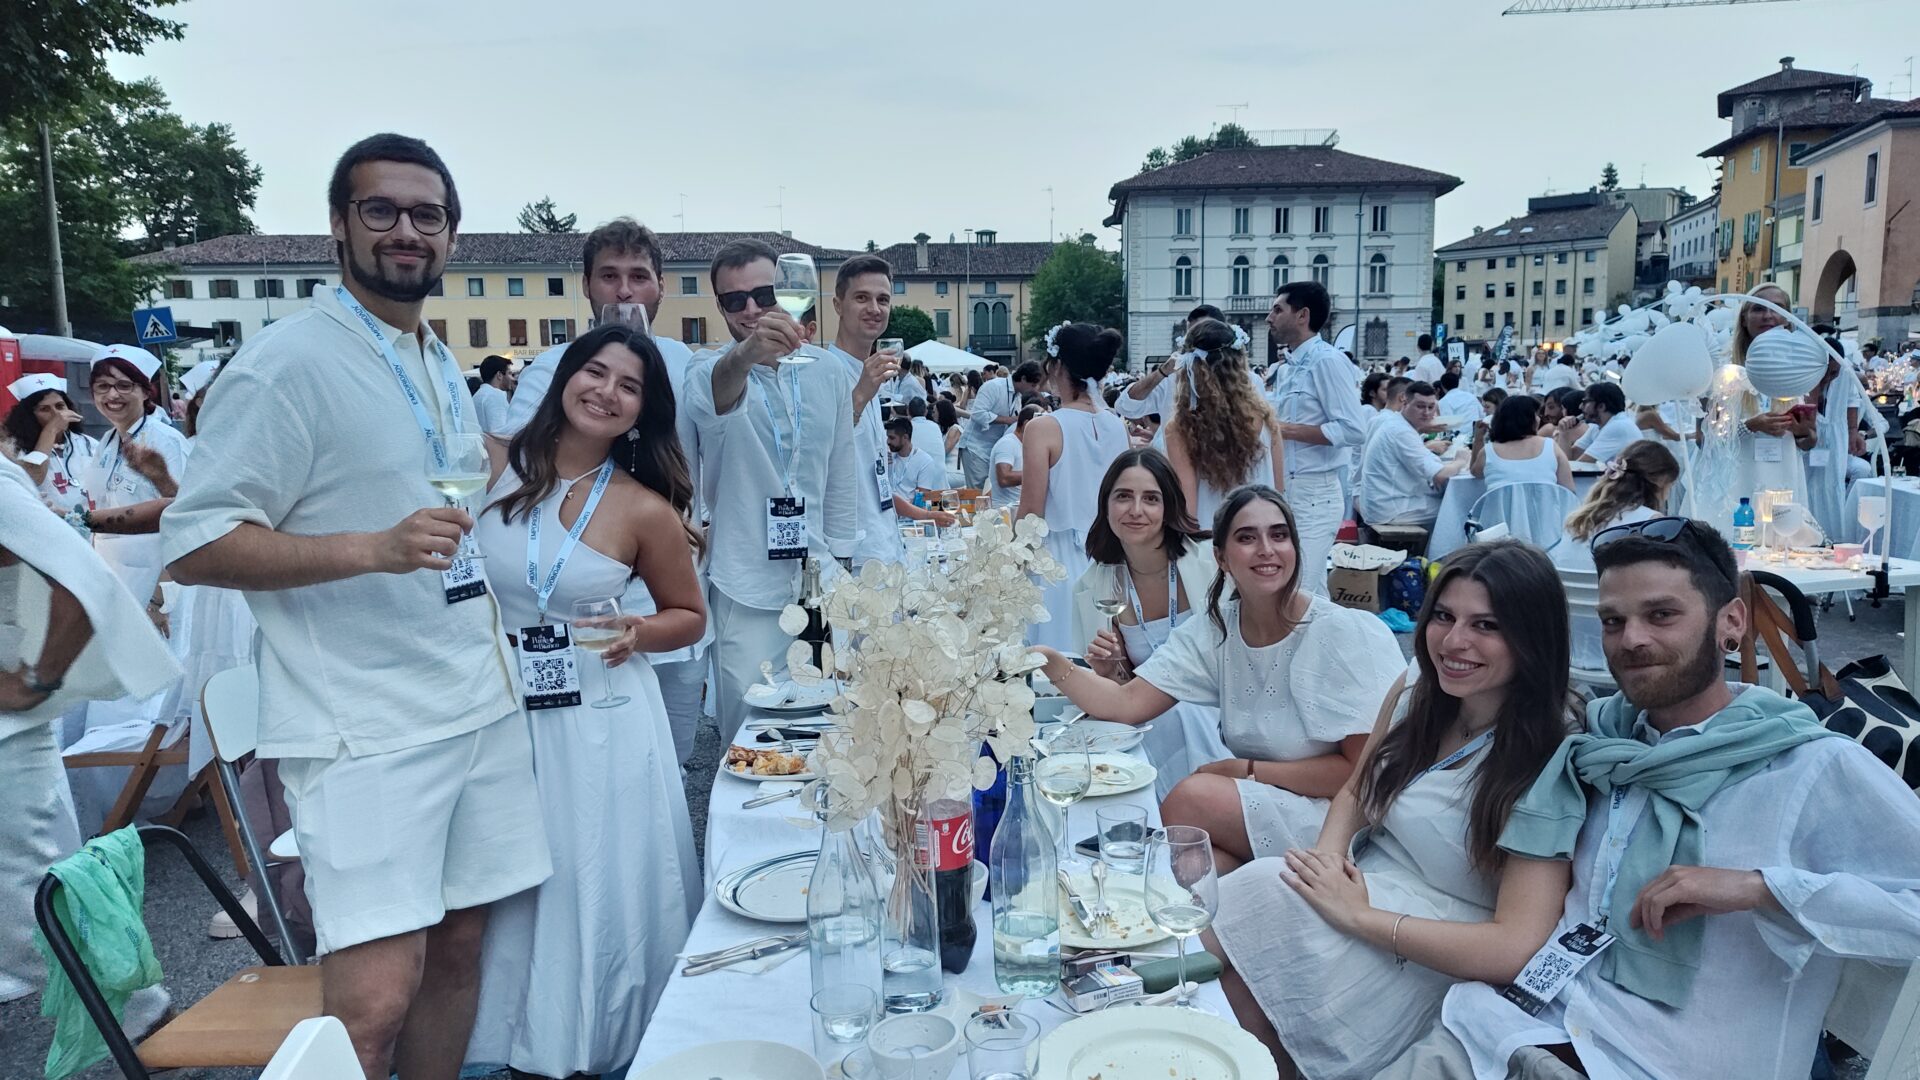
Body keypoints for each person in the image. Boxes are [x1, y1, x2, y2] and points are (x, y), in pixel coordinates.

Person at [163, 133, 551, 1080]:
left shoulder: (426, 351)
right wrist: (367, 550)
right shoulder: (285, 363)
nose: (405, 231)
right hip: (365, 727)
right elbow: (194, 543)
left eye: (427, 215)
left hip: (476, 700)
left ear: (452, 235)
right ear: (339, 225)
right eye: (381, 210)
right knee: (373, 1004)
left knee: (462, 953)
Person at [1379, 519, 1920, 1080]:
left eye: (1661, 615)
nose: (1632, 639)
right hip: (1509, 1029)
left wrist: (1759, 888)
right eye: (1614, 621)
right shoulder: (1596, 746)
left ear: (1730, 622)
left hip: (1653, 1063)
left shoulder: (1806, 767)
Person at [1204, 541, 1577, 1078]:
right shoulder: (1418, 690)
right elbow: (1356, 790)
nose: (1454, 641)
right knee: (1256, 896)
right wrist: (1329, 860)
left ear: (1532, 638)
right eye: (1444, 616)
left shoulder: (1549, 752)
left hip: (1438, 941)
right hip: (1368, 880)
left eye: (1486, 626)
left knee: (1256, 900)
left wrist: (1360, 917)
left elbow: (1514, 947)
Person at [465, 323, 704, 1077]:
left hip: (600, 711)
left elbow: (687, 615)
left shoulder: (643, 508)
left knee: (590, 874)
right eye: (595, 373)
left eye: (628, 385)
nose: (606, 392)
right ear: (565, 377)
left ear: (642, 409)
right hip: (499, 700)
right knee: (509, 876)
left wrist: (638, 628)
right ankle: (500, 1032)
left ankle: (595, 1036)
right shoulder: (489, 465)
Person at [1033, 487, 1404, 873]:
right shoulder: (1217, 629)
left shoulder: (1341, 634)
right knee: (1189, 868)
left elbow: (1363, 773)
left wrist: (1244, 770)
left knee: (1194, 798)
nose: (1266, 549)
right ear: (1222, 558)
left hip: (1343, 817)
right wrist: (1049, 662)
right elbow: (1128, 704)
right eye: (1247, 538)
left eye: (1279, 535)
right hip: (1269, 801)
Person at [503, 218, 709, 766]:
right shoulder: (549, 369)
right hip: (561, 597)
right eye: (609, 276)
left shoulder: (691, 366)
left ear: (661, 286)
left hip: (659, 589)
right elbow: (519, 469)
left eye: (639, 277)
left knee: (663, 761)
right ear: (588, 286)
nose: (624, 291)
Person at [0, 452, 178, 1025]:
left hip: (6, 727)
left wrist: (35, 678)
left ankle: (143, 1022)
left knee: (31, 899)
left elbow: (80, 578)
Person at [684, 237, 858, 744]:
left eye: (764, 294)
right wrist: (746, 355)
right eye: (735, 300)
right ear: (720, 308)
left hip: (821, 582)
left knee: (830, 729)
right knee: (749, 736)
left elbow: (840, 471)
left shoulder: (827, 371)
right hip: (746, 585)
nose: (753, 309)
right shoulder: (706, 369)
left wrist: (843, 565)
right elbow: (715, 394)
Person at [1069, 447, 1227, 795]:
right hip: (1144, 718)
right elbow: (1123, 688)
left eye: (1151, 499)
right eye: (1123, 496)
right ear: (1106, 504)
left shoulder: (1212, 563)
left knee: (1181, 715)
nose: (1136, 510)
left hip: (1218, 711)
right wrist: (1109, 671)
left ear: (1168, 507)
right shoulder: (1093, 586)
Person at [1017, 321, 1128, 650]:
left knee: (1057, 662)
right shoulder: (1117, 426)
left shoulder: (1044, 428)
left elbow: (1030, 516)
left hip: (1057, 563)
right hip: (1109, 561)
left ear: (1058, 366)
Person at [1268, 281, 1368, 595]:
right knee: (1306, 590)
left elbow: (1353, 429)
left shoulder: (1327, 361)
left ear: (1303, 315)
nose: (1269, 317)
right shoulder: (1287, 368)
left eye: (1278, 309)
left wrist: (1280, 429)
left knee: (1298, 591)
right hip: (1288, 491)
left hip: (1316, 492)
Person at [1546, 440, 1679, 672]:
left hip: (1572, 646)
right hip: (1624, 644)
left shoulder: (1577, 521)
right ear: (1659, 483)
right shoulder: (1650, 523)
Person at [1695, 283, 1814, 531]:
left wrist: (1803, 432)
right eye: (1759, 309)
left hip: (1783, 472)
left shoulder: (1799, 369)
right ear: (1744, 318)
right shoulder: (1723, 368)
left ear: (1788, 317)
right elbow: (1705, 436)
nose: (1768, 315)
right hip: (1739, 476)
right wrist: (1750, 426)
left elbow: (1809, 443)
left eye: (1777, 308)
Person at [86, 344, 191, 611]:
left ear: (145, 392)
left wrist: (159, 599)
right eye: (103, 386)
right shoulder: (107, 442)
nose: (112, 394)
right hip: (113, 575)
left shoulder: (164, 440)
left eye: (124, 385)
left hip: (156, 580)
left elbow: (182, 519)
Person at [824, 254, 906, 570]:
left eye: (882, 299)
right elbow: (815, 461)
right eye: (862, 298)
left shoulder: (871, 374)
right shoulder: (823, 372)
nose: (874, 308)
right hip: (853, 562)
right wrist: (858, 396)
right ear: (838, 304)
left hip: (887, 549)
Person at [1162, 317, 1284, 528]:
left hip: (1211, 544)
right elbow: (1279, 491)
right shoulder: (1265, 418)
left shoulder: (1182, 427)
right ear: (1239, 363)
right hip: (1260, 536)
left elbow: (1187, 510)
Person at [1359, 381, 1468, 530]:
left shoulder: (1398, 424)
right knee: (1459, 510)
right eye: (1420, 406)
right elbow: (1440, 476)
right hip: (1389, 508)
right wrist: (1460, 460)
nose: (1427, 412)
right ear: (1404, 402)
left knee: (1452, 503)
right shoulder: (1401, 431)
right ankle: (1441, 553)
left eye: (1431, 407)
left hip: (1384, 501)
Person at [1116, 303, 1232, 438]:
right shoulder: (1172, 378)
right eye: (1191, 335)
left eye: (1203, 333)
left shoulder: (1246, 381)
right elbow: (1125, 407)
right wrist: (1162, 372)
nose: (1195, 341)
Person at [6, 374, 99, 518]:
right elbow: (33, 478)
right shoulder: (13, 448)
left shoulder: (88, 443)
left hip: (94, 526)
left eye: (60, 406)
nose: (57, 414)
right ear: (29, 416)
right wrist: (51, 430)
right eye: (45, 409)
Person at [959, 361, 1042, 488]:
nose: (1035, 389)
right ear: (1023, 379)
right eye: (1033, 385)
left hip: (994, 449)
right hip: (976, 449)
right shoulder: (993, 386)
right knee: (978, 495)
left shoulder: (1017, 396)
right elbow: (977, 414)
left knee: (990, 493)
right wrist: (1008, 420)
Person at [1472, 394, 1572, 492]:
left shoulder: (1489, 452)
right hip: (1545, 508)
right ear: (1530, 419)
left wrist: (1478, 439)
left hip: (1501, 508)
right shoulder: (1551, 447)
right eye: (1536, 415)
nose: (1539, 418)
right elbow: (1569, 492)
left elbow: (1475, 472)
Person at [1570, 382, 1638, 465]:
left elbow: (1579, 466)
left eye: (1585, 402)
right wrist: (1564, 434)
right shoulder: (1597, 426)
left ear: (1601, 406)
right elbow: (1572, 457)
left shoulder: (1617, 426)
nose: (1580, 406)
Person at [988, 404, 1039, 511]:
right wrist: (1038, 473)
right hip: (1006, 511)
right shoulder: (1008, 444)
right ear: (1026, 424)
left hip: (1022, 508)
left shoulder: (1028, 445)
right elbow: (1004, 479)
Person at [470, 355, 515, 435]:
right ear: (499, 375)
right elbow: (500, 433)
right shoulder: (495, 395)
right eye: (510, 374)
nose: (512, 378)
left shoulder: (478, 395)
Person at [1437, 371, 1482, 440]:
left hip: (1459, 439)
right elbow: (1482, 414)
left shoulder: (1443, 402)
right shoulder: (1471, 396)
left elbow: (1448, 425)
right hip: (1476, 434)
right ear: (1458, 383)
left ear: (1442, 386)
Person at [1546, 388, 1589, 459]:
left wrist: (1561, 433)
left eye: (1563, 408)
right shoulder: (1589, 427)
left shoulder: (1570, 429)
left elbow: (1561, 458)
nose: (1562, 412)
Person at [905, 396, 945, 469]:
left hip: (920, 476)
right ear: (926, 412)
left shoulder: (906, 428)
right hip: (940, 475)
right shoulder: (935, 427)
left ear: (907, 411)